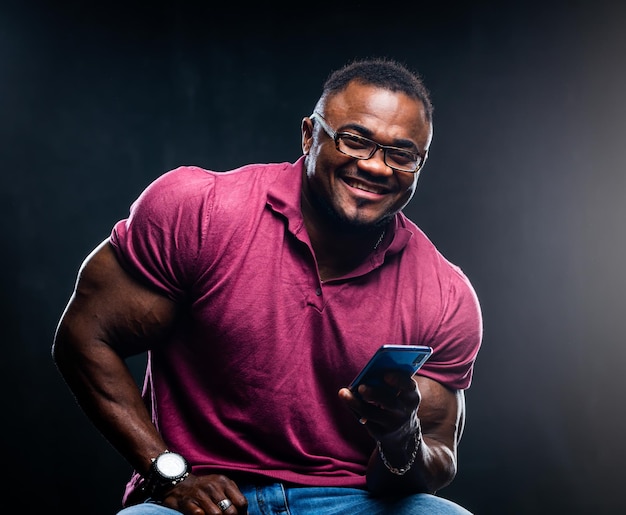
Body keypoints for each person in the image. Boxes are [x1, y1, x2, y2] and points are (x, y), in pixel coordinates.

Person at [53, 57, 483, 515]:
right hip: (203, 500)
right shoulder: (201, 211)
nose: (377, 167)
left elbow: (438, 459)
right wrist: (168, 474)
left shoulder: (444, 293)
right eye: (355, 141)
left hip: (352, 501)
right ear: (308, 135)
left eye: (402, 154)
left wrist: (400, 438)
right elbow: (84, 336)